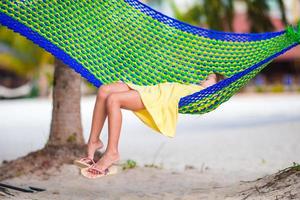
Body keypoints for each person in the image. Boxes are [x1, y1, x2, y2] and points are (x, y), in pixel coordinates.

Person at [75, 73, 225, 178]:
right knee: (104, 91)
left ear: (217, 86)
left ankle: (112, 152)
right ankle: (94, 141)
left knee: (114, 100)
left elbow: (210, 96)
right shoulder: (194, 87)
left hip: (157, 99)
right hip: (152, 89)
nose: (203, 80)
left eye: (208, 78)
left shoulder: (204, 94)